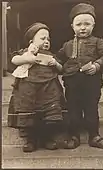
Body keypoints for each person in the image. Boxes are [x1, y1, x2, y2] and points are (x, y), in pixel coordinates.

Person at [57, 3, 103, 149]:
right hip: (72, 83)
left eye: (87, 24)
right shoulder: (67, 45)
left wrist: (96, 65)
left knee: (91, 109)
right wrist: (56, 64)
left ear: (93, 25)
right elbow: (59, 58)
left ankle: (94, 137)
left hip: (91, 82)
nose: (83, 27)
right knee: (73, 110)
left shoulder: (98, 42)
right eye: (79, 24)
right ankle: (74, 136)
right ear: (72, 26)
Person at [8, 22, 68, 152]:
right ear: (31, 41)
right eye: (42, 38)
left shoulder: (50, 55)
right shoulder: (25, 53)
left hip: (48, 90)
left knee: (49, 116)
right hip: (29, 91)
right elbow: (14, 60)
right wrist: (28, 59)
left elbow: (61, 69)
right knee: (29, 115)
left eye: (48, 39)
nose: (46, 41)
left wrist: (55, 63)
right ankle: (31, 140)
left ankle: (46, 138)